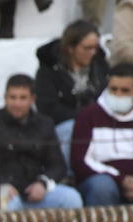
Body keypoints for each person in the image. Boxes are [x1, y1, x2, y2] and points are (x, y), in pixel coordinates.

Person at [0, 74, 84, 211]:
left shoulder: (45, 124)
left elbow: (57, 164)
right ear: (5, 98)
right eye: (12, 97)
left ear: (32, 99)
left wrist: (43, 183)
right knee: (6, 207)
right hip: (3, 190)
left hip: (36, 189)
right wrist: (2, 185)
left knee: (71, 199)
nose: (17, 103)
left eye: (23, 98)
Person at [36, 19, 109, 164]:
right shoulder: (49, 70)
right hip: (64, 126)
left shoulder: (100, 65)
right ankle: (68, 175)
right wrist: (84, 116)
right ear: (71, 48)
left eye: (95, 47)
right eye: (87, 48)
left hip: (99, 122)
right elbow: (47, 108)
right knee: (72, 129)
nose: (92, 52)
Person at [71, 62, 133, 205]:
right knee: (102, 187)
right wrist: (121, 179)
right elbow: (80, 161)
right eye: (113, 89)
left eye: (125, 90)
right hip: (102, 179)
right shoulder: (89, 115)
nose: (118, 94)